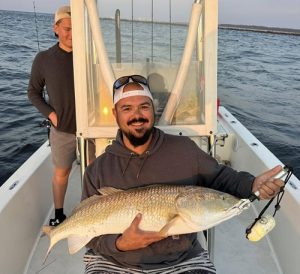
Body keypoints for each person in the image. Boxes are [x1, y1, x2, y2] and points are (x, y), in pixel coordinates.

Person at [81, 75, 284, 273]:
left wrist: (252, 184)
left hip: (181, 259)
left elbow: (221, 177)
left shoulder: (184, 149)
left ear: (154, 109)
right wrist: (120, 244)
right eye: (127, 108)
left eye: (144, 106)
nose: (137, 115)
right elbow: (87, 235)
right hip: (115, 262)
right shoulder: (97, 170)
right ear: (115, 114)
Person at [28, 6, 78, 226]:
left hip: (91, 128)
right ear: (56, 28)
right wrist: (50, 114)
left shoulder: (88, 56)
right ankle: (59, 214)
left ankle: (95, 213)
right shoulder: (44, 59)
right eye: (67, 29)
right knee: (62, 173)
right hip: (63, 130)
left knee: (95, 174)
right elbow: (33, 92)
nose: (72, 34)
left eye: (76, 29)